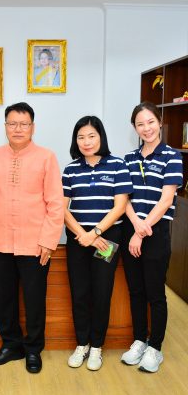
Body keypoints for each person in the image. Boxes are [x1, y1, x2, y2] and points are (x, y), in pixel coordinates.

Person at [0, 102, 64, 374]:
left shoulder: (47, 157)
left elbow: (56, 204)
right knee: (5, 299)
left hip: (35, 244)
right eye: (12, 123)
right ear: (5, 127)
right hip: (0, 241)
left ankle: (33, 349)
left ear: (32, 127)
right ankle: (11, 345)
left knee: (35, 300)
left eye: (23, 124)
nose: (17, 129)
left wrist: (48, 240)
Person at [62, 116, 133, 371]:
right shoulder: (70, 169)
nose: (86, 141)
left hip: (107, 240)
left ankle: (96, 347)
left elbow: (120, 206)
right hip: (78, 239)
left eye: (91, 136)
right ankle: (82, 343)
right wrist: (84, 234)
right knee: (79, 292)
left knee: (102, 292)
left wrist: (95, 233)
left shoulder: (117, 165)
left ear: (101, 137)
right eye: (81, 137)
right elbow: (62, 208)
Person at [120, 102, 183, 373]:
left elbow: (166, 198)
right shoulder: (128, 159)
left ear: (159, 121)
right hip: (132, 229)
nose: (146, 128)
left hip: (156, 233)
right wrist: (135, 226)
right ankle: (139, 340)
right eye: (140, 124)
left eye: (150, 122)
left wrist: (142, 229)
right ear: (134, 127)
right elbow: (124, 198)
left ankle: (155, 347)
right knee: (136, 290)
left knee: (155, 292)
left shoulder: (172, 156)